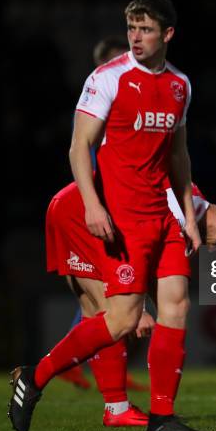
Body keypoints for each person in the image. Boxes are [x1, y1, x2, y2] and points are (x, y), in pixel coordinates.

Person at [8, 0, 213, 431]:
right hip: (123, 220)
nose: (136, 38)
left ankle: (161, 418)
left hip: (162, 216)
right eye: (132, 29)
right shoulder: (108, 78)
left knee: (177, 305)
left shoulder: (181, 84)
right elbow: (79, 146)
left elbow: (178, 155)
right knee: (120, 320)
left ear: (168, 34)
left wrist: (190, 218)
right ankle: (35, 376)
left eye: (145, 30)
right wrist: (93, 204)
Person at [47, 179, 216, 426]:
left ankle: (115, 407)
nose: (213, 251)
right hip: (83, 209)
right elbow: (138, 239)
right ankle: (37, 379)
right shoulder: (179, 211)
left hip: (78, 203)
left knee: (95, 309)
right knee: (110, 312)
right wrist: (139, 307)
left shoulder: (190, 199)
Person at [57, 34, 149, 395]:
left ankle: (99, 377)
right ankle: (60, 368)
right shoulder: (99, 106)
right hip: (100, 204)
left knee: (102, 302)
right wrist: (94, 203)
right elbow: (85, 154)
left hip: (108, 201)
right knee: (111, 303)